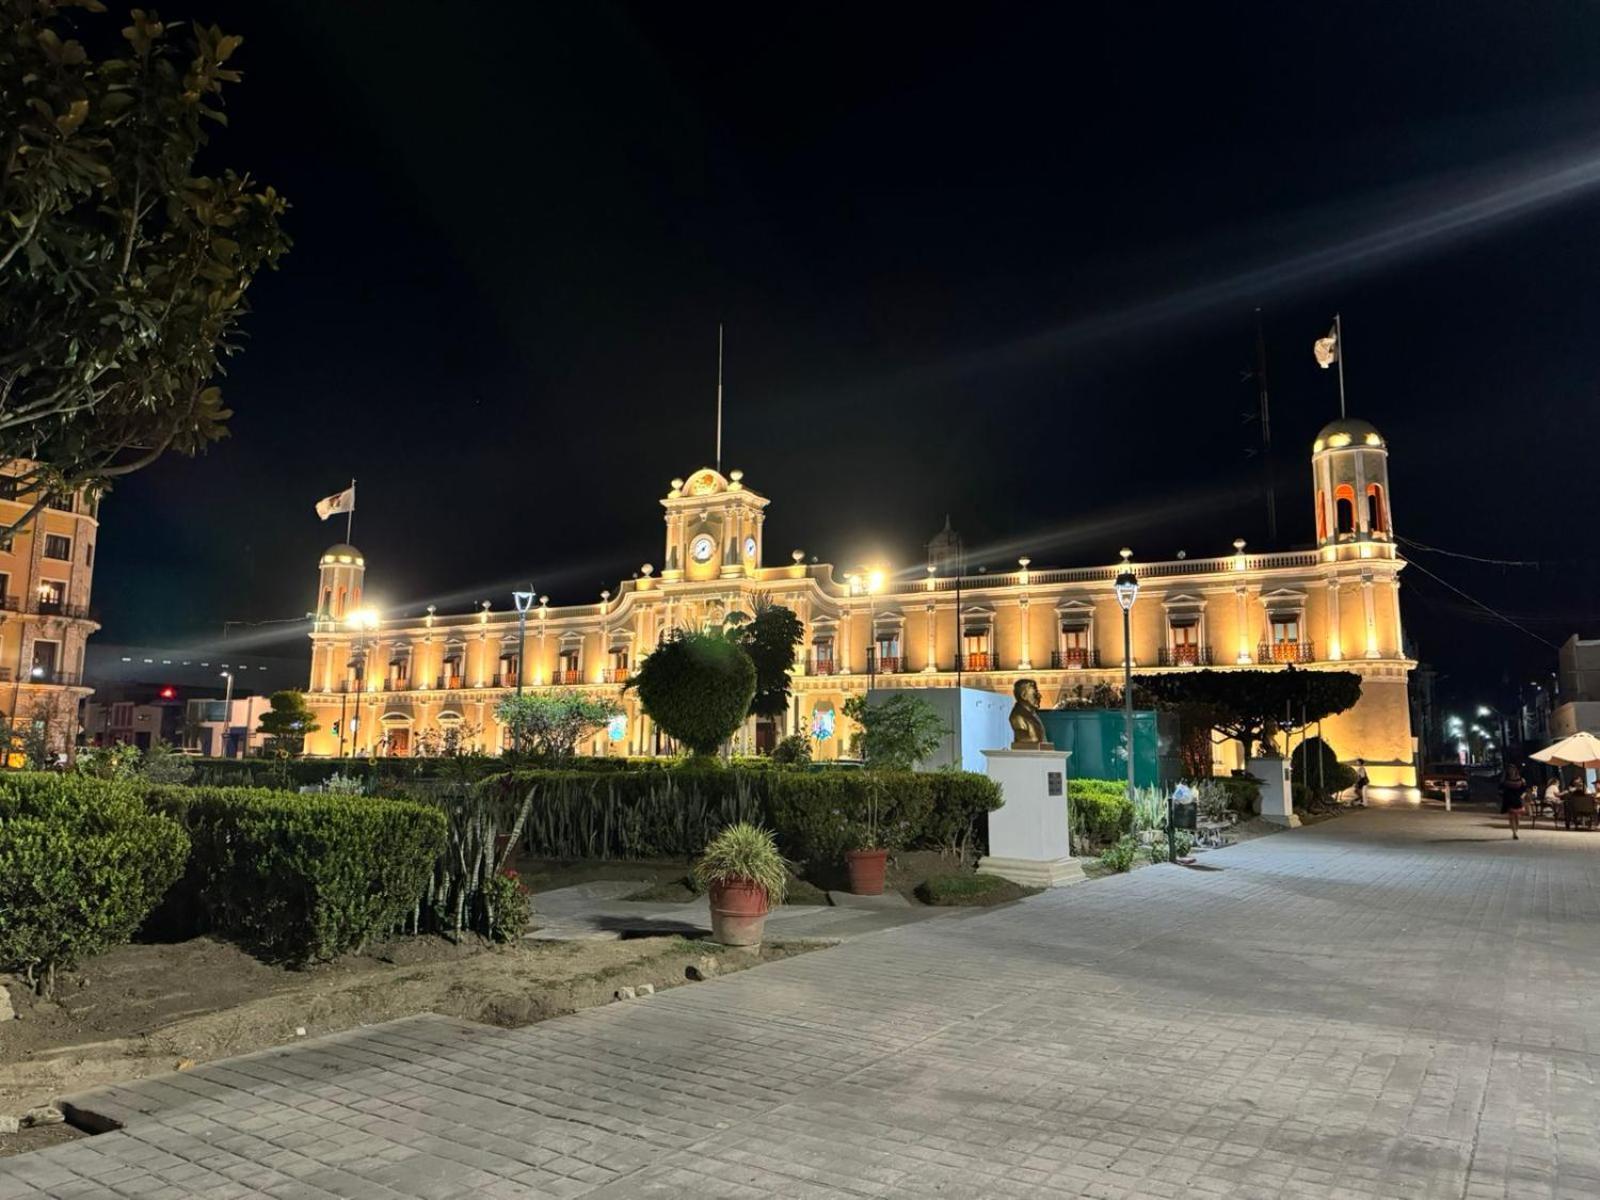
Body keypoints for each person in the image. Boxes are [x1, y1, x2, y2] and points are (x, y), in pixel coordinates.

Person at [1501, 762, 1527, 839]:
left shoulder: (1521, 779)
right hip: (1509, 799)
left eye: (1512, 769)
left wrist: (1522, 796)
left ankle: (1516, 829)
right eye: (1509, 769)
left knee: (1517, 817)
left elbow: (1524, 789)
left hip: (1518, 799)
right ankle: (1514, 833)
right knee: (1511, 816)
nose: (1511, 771)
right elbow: (1501, 788)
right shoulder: (1505, 779)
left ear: (1515, 770)